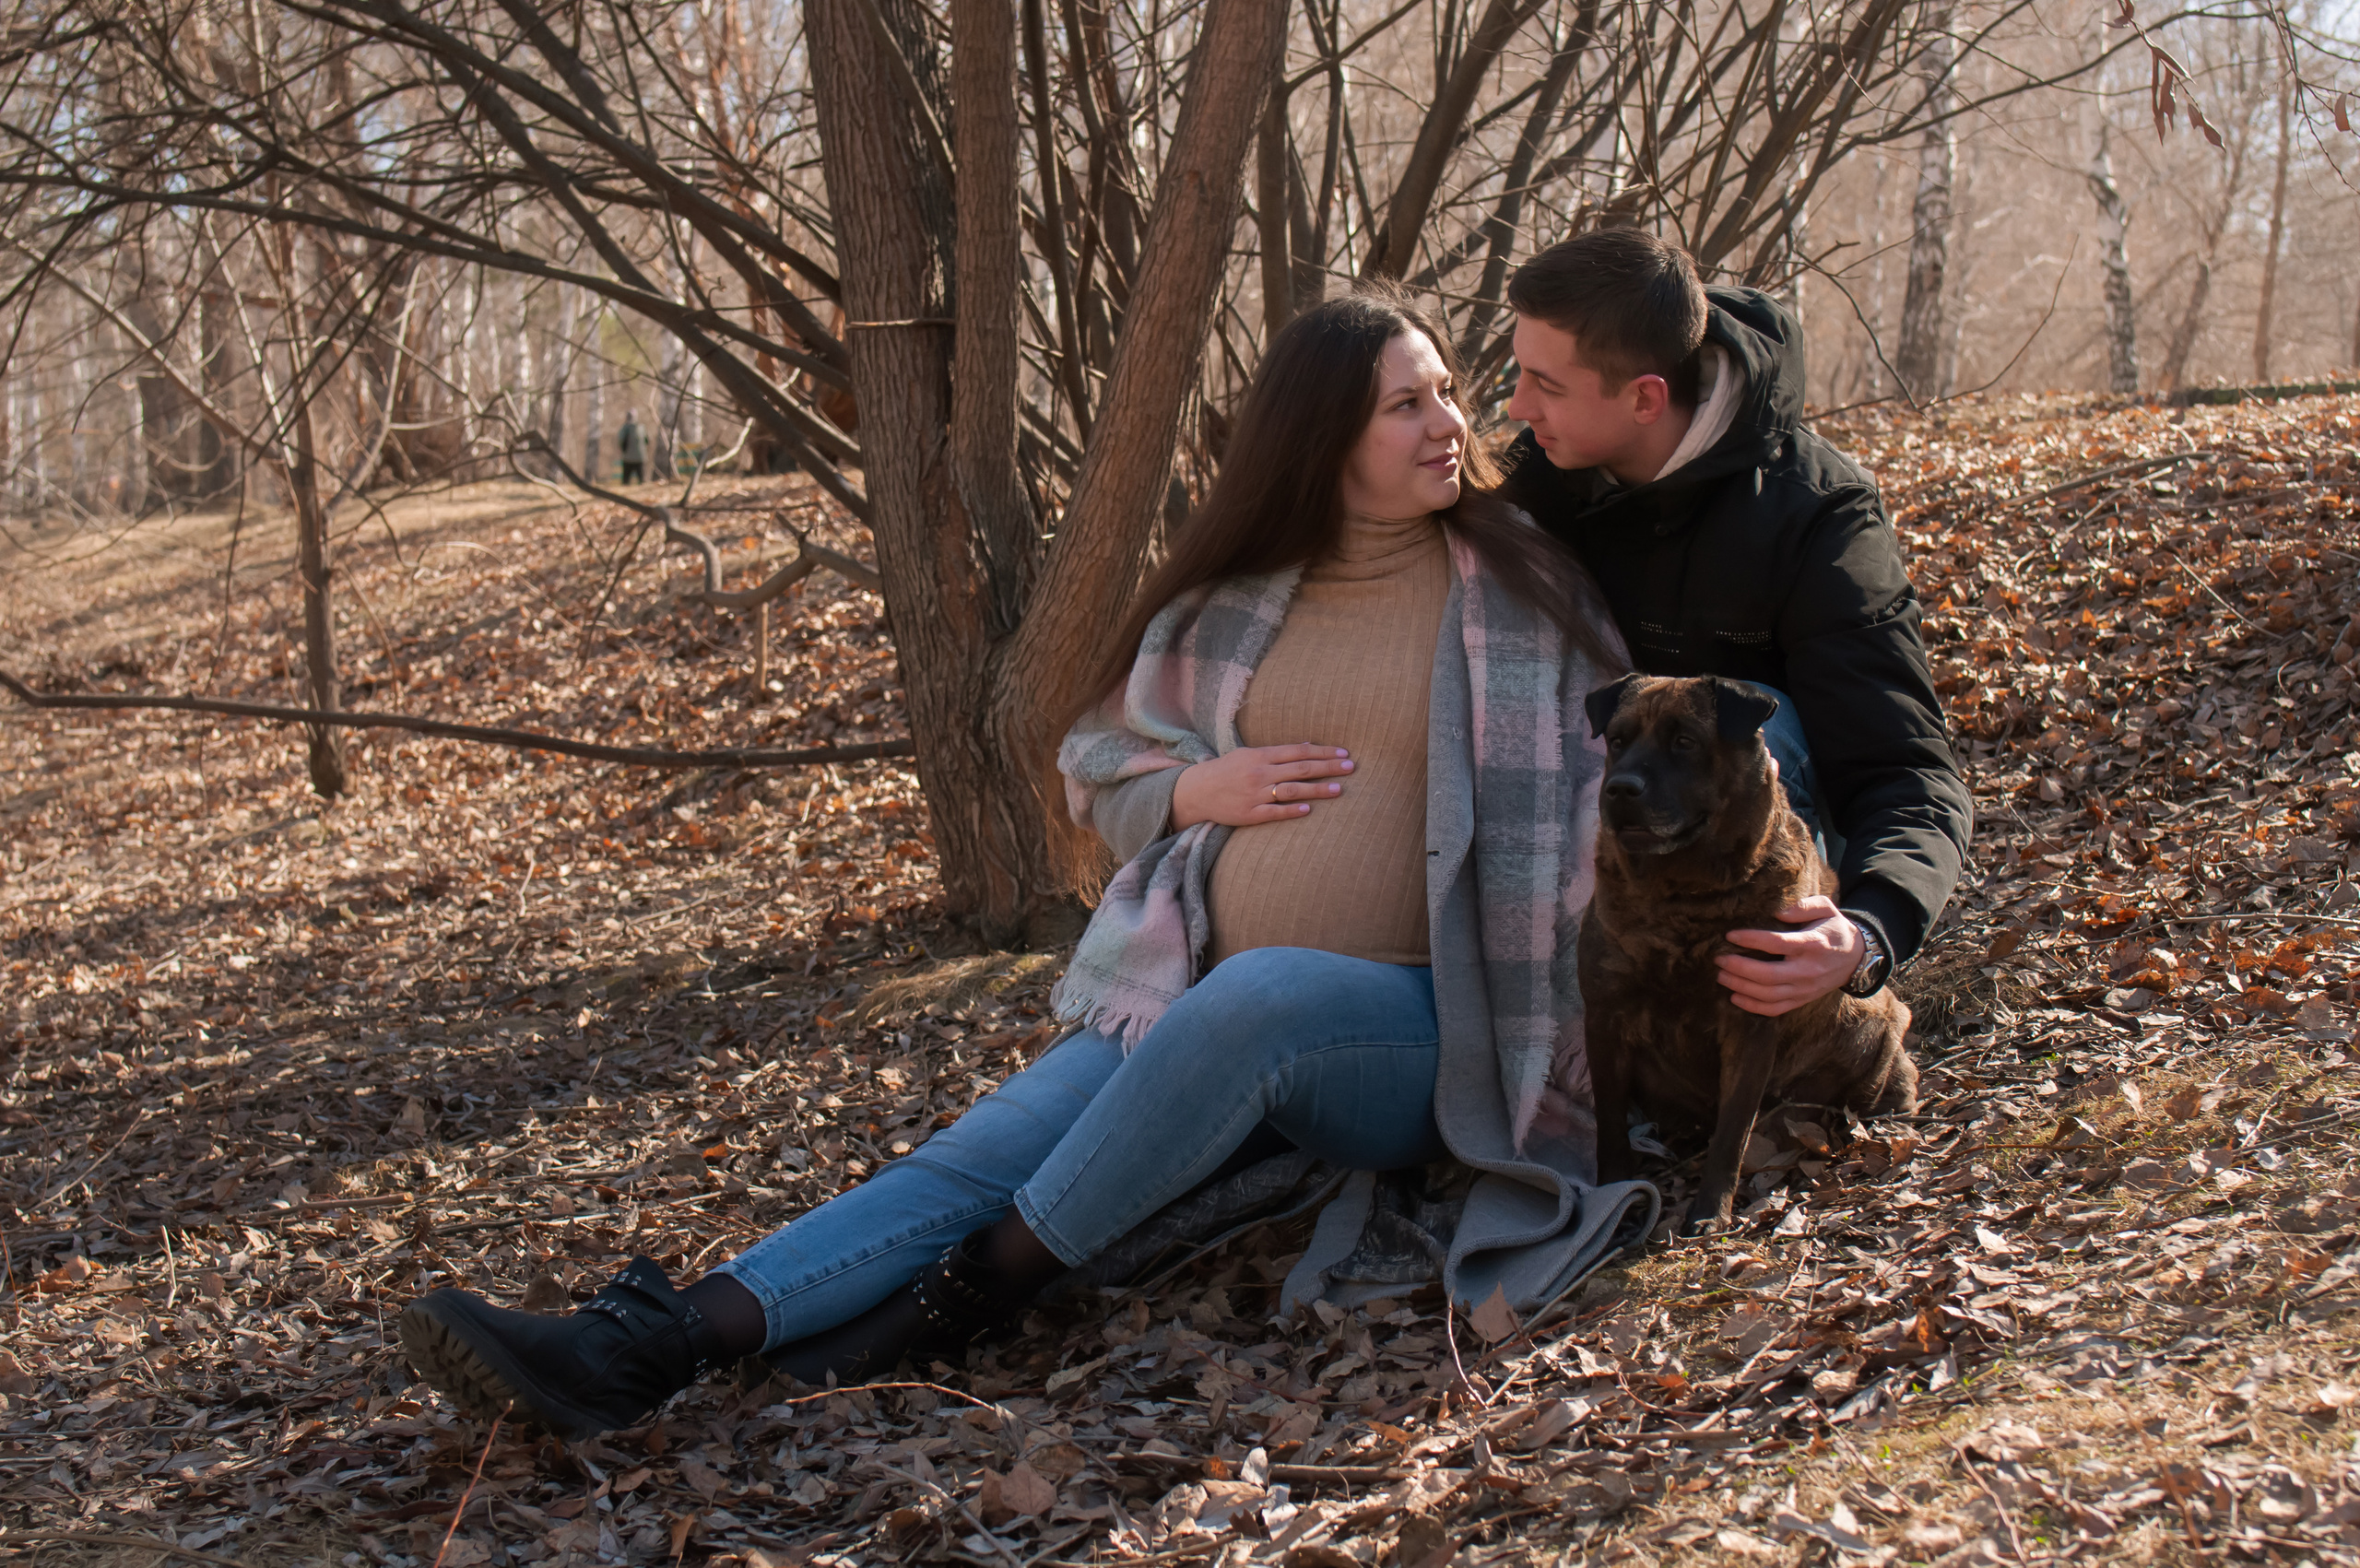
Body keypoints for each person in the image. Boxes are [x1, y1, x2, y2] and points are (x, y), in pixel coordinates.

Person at [396, 284, 1652, 1441]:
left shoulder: (1520, 587)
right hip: (1193, 996)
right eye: (1407, 402)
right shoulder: (1237, 602)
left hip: (1429, 1029)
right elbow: (1102, 763)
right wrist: (1192, 788)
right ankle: (651, 1344)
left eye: (1443, 390)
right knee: (980, 1147)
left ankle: (985, 1286)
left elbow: (1617, 796)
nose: (1450, 420)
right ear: (1323, 437)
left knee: (1262, 1001)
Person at [1500, 229, 1971, 1019]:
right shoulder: (1542, 477)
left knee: (1745, 716)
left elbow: (1904, 766)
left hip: (1765, 842)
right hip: (1593, 814)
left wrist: (1865, 934)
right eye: (1520, 372)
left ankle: (1736, 1033)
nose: (1516, 405)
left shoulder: (1818, 515)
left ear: (1645, 396)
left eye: (1544, 382)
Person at [617, 410, 647, 484]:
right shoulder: (641, 427)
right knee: (641, 480)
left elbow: (620, 439)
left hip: (628, 458)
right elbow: (647, 440)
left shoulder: (625, 428)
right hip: (640, 457)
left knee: (626, 480)